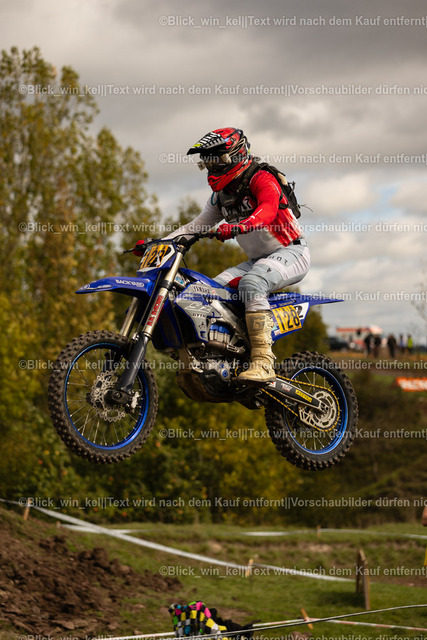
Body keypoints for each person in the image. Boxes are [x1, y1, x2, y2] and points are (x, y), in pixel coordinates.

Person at [164, 128, 310, 383]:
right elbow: (195, 226)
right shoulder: (220, 196)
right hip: (258, 261)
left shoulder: (261, 177)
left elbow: (267, 209)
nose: (213, 168)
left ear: (237, 155)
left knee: (252, 283)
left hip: (292, 251)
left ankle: (263, 362)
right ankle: (226, 356)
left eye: (217, 161)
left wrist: (239, 226)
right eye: (208, 163)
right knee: (207, 293)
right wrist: (160, 244)